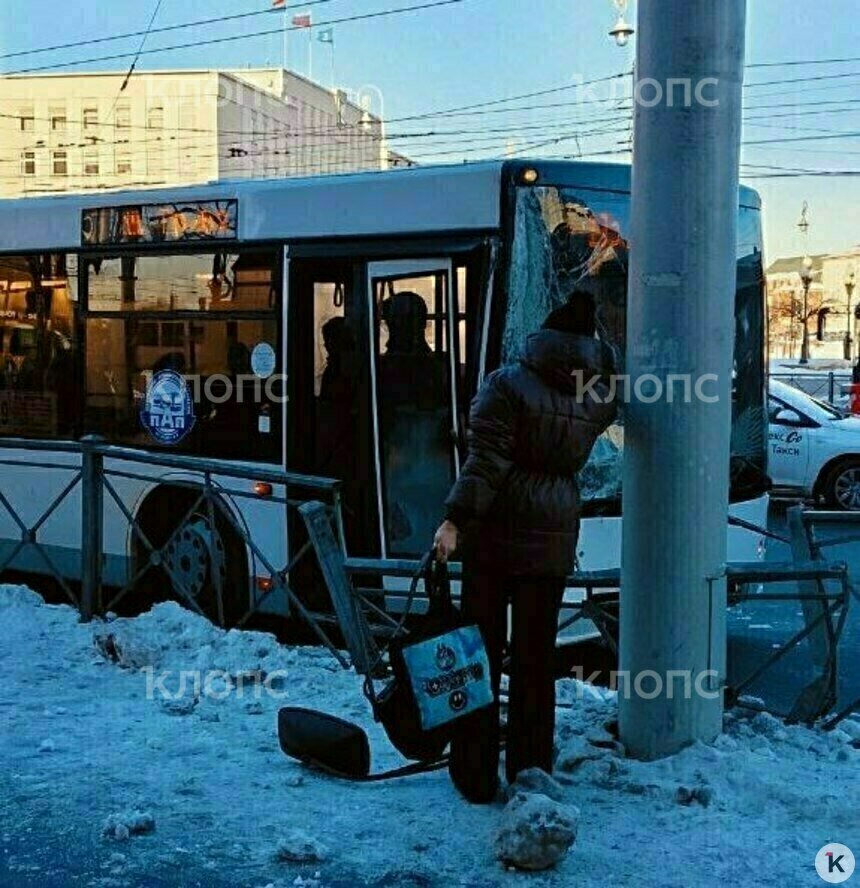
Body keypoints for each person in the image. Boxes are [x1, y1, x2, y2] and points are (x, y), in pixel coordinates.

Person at [433, 291, 617, 803]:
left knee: (479, 655)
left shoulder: (507, 384)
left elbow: (485, 464)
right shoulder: (594, 393)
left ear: (543, 337)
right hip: (554, 534)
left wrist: (454, 520)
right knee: (535, 661)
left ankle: (474, 772)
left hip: (494, 537)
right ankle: (530, 767)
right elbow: (612, 380)